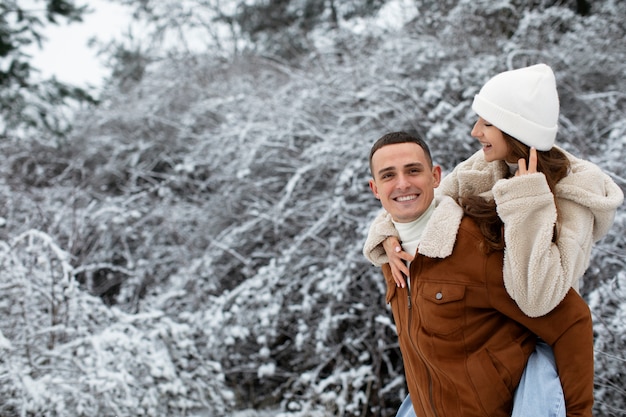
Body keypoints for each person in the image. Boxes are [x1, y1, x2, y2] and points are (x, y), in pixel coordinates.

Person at [363, 64, 623, 415]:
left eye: (486, 123)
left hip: (527, 378)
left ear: (515, 128)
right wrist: (387, 239)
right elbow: (423, 203)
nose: (474, 131)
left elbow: (546, 302)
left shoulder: (566, 200)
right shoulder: (484, 170)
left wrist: (527, 201)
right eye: (387, 176)